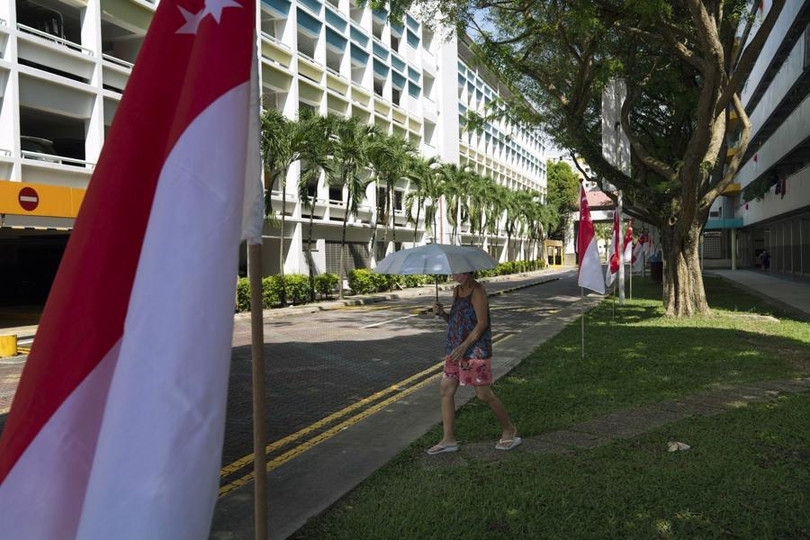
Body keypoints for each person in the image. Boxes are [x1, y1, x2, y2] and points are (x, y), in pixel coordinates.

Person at [428, 272, 520, 455]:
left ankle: (509, 429)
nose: (456, 275)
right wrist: (443, 314)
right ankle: (448, 439)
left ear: (469, 270)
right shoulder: (456, 291)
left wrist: (464, 347)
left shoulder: (477, 291)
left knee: (483, 394)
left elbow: (482, 324)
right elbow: (456, 322)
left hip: (474, 350)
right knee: (446, 390)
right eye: (453, 271)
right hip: (454, 349)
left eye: (460, 271)